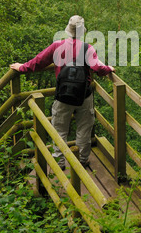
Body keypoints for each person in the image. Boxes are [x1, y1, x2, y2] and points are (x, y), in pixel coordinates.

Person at [10, 15, 115, 170]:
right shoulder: (87, 48)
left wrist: (22, 67)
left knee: (59, 132)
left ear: (68, 29)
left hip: (63, 97)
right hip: (84, 97)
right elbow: (98, 68)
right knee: (84, 130)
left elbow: (38, 62)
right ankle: (82, 161)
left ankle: (59, 165)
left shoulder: (57, 47)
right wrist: (109, 69)